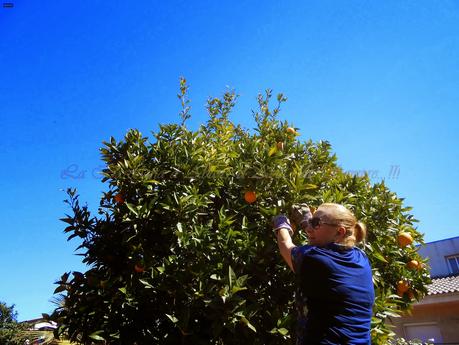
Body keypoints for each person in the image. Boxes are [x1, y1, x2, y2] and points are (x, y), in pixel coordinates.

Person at [272, 203, 374, 345]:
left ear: (340, 232)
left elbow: (285, 245)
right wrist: (310, 220)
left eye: (315, 223)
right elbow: (325, 240)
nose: (308, 229)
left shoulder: (314, 258)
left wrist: (281, 223)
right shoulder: (362, 258)